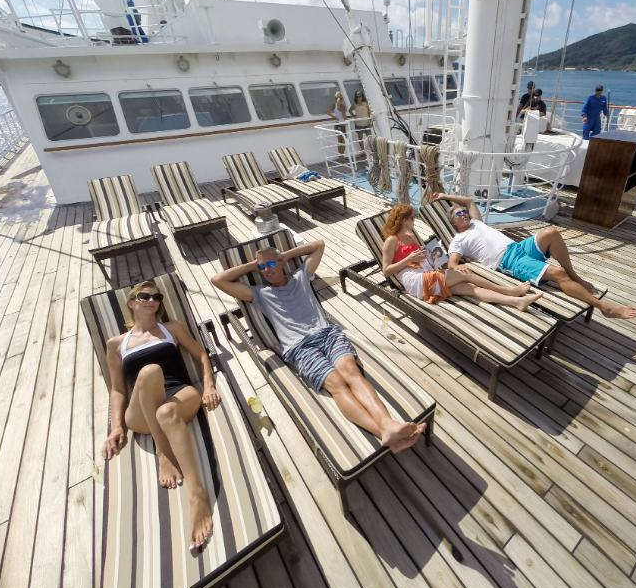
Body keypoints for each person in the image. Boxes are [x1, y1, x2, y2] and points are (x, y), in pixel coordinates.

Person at [212, 239, 426, 453]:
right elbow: (217, 280)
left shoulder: (301, 276)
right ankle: (383, 433)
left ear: (282, 262)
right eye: (262, 268)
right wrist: (254, 264)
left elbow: (319, 245)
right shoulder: (259, 293)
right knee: (336, 384)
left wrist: (284, 256)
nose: (266, 270)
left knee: (351, 372)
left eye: (271, 264)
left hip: (328, 334)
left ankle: (387, 423)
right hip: (299, 348)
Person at [101, 281, 222, 553]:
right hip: (140, 413)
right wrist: (116, 426)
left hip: (179, 395)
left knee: (165, 410)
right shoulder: (117, 344)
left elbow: (201, 355)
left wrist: (209, 385)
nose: (151, 300)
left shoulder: (172, 328)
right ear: (131, 303)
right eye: (144, 296)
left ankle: (197, 496)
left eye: (156, 296)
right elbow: (118, 389)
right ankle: (163, 451)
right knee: (149, 372)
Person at [431, 192, 636, 319]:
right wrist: (456, 267)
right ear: (453, 223)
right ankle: (603, 307)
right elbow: (452, 264)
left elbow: (469, 201)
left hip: (519, 247)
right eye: (458, 214)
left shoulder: (476, 222)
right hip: (509, 261)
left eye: (463, 212)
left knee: (551, 232)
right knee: (558, 273)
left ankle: (575, 277)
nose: (464, 214)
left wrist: (444, 197)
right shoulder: (458, 240)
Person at [381, 204, 543, 311]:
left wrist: (430, 256)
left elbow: (422, 258)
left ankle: (517, 302)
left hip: (427, 274)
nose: (414, 221)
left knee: (471, 288)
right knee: (466, 274)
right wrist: (408, 259)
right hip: (415, 281)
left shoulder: (411, 236)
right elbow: (386, 271)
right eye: (412, 218)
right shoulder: (392, 240)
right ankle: (510, 291)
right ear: (404, 220)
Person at [348, 89, 372, 153]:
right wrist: (354, 115)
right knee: (360, 139)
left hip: (367, 123)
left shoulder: (366, 103)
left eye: (360, 96)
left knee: (369, 137)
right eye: (357, 96)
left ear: (362, 96)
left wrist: (370, 121)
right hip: (359, 124)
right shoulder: (354, 104)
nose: (359, 98)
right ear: (356, 97)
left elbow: (369, 112)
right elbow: (350, 110)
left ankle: (371, 150)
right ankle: (363, 151)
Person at [329, 91, 348, 158]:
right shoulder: (341, 106)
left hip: (338, 125)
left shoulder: (335, 105)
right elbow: (344, 117)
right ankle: (341, 157)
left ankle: (340, 157)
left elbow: (328, 112)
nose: (339, 99)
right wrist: (335, 117)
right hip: (341, 125)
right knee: (343, 142)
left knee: (340, 141)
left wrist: (335, 117)